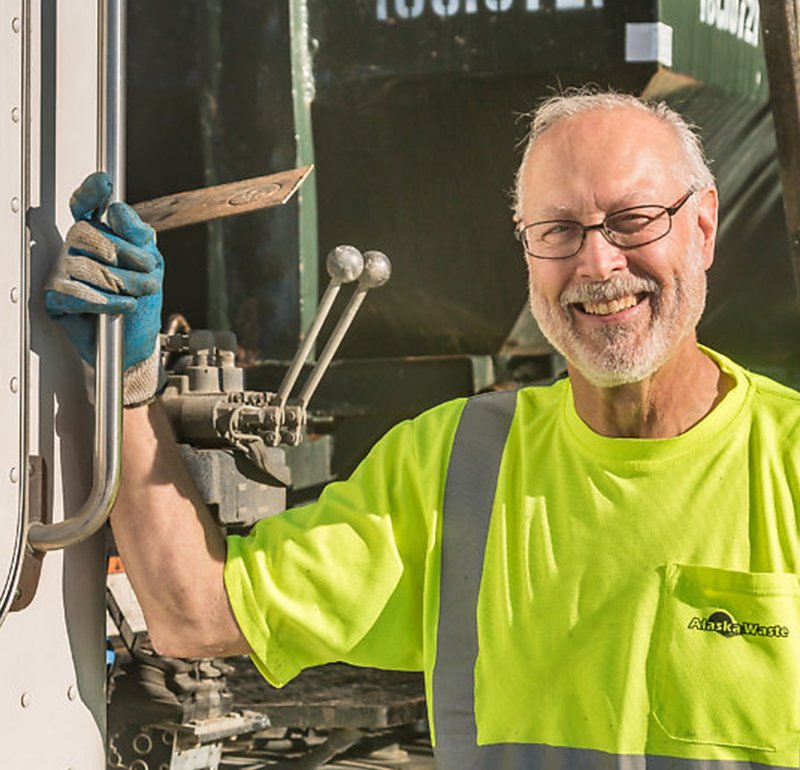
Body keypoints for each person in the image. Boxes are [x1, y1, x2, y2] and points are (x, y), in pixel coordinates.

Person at [45, 89, 800, 769]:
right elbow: (196, 613)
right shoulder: (458, 465)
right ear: (525, 247)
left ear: (703, 228)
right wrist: (129, 378)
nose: (598, 262)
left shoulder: (789, 466)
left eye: (633, 220)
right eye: (559, 230)